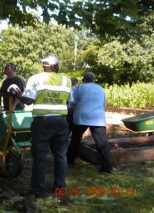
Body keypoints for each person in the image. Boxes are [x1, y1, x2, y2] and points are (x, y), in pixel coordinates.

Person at [9, 55, 72, 204]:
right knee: (61, 156)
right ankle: (60, 189)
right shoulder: (66, 80)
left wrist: (18, 94)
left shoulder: (36, 78)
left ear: (44, 65)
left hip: (42, 122)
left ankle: (38, 191)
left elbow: (29, 100)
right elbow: (69, 100)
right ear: (56, 65)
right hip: (61, 122)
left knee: (40, 156)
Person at [67, 72, 113, 173]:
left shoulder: (79, 88)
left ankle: (70, 161)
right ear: (94, 80)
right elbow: (103, 104)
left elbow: (72, 103)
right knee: (102, 143)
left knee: (75, 140)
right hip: (97, 118)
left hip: (81, 117)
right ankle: (107, 167)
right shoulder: (100, 89)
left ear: (84, 79)